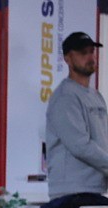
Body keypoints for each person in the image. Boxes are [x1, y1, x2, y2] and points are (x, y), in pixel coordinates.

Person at [45, 31, 108, 199]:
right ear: (67, 58)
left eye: (91, 52)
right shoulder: (65, 97)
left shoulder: (96, 96)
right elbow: (80, 145)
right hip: (71, 192)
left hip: (94, 188)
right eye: (82, 53)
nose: (90, 57)